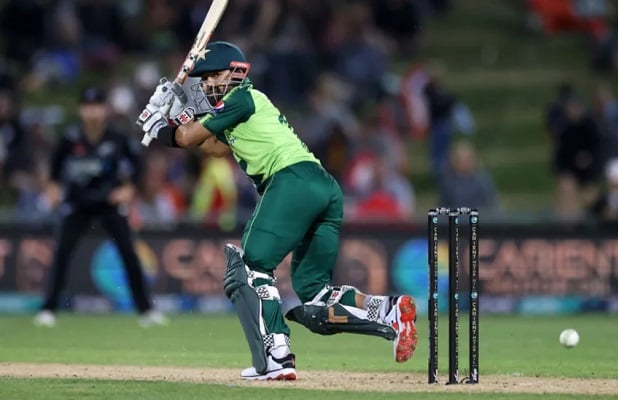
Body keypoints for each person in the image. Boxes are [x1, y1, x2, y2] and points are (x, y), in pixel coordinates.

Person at [136, 41, 418, 381]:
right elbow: (209, 147)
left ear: (231, 73)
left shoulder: (240, 96)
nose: (206, 85)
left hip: (290, 181)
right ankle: (389, 311)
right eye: (203, 79)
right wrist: (171, 120)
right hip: (323, 187)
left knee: (253, 265)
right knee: (314, 291)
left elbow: (189, 136)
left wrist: (160, 122)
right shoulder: (242, 106)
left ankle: (277, 355)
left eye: (211, 77)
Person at [34, 87, 167, 328]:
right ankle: (48, 310)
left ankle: (146, 311)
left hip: (109, 204)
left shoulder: (117, 137)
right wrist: (53, 190)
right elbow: (54, 171)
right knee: (61, 255)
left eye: (97, 106)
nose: (93, 112)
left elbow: (138, 166)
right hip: (77, 203)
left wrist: (129, 190)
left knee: (129, 255)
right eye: (88, 106)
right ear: (81, 109)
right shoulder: (70, 137)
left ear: (104, 109)